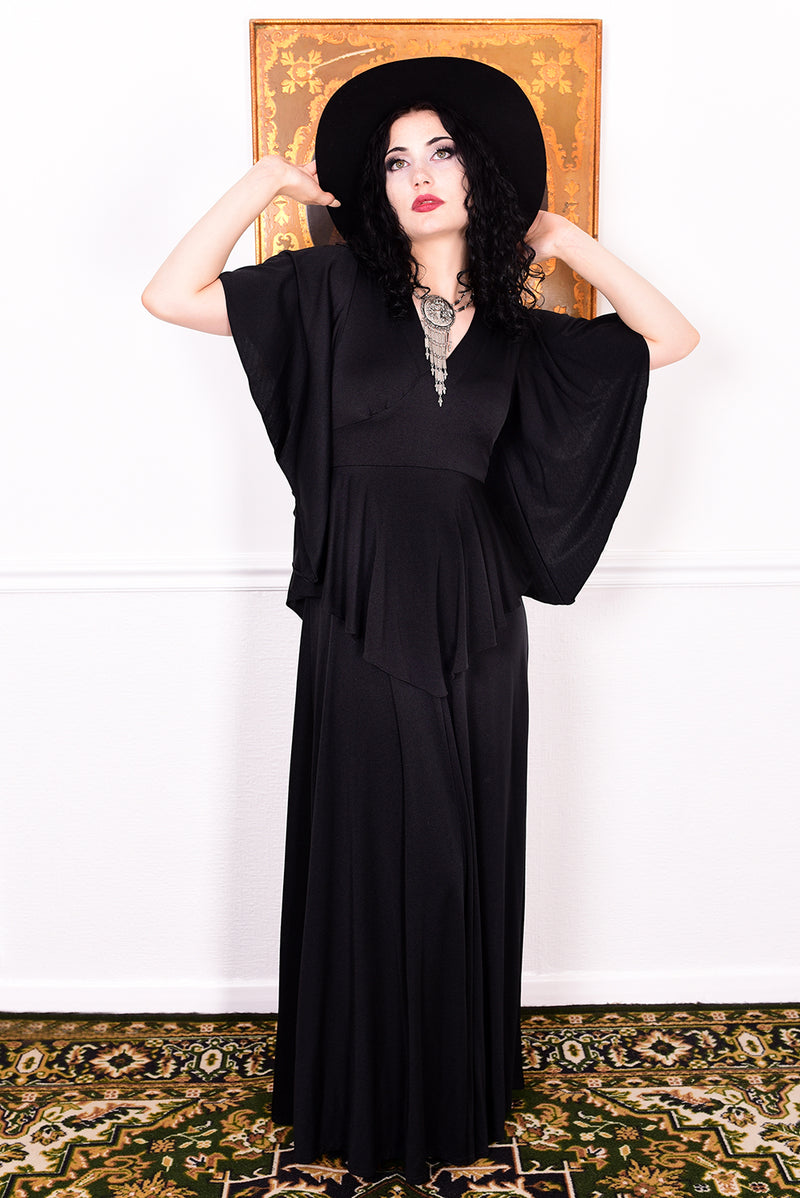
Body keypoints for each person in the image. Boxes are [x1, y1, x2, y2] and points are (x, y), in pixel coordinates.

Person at [142, 56, 698, 1183]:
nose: (418, 176)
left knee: (453, 846)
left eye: (441, 152)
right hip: (356, 600)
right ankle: (353, 1082)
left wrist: (565, 241)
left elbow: (669, 340)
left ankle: (454, 1078)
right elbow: (169, 294)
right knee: (365, 832)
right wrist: (263, 184)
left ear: (475, 173)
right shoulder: (324, 289)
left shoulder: (514, 325)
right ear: (374, 189)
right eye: (396, 161)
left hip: (476, 612)